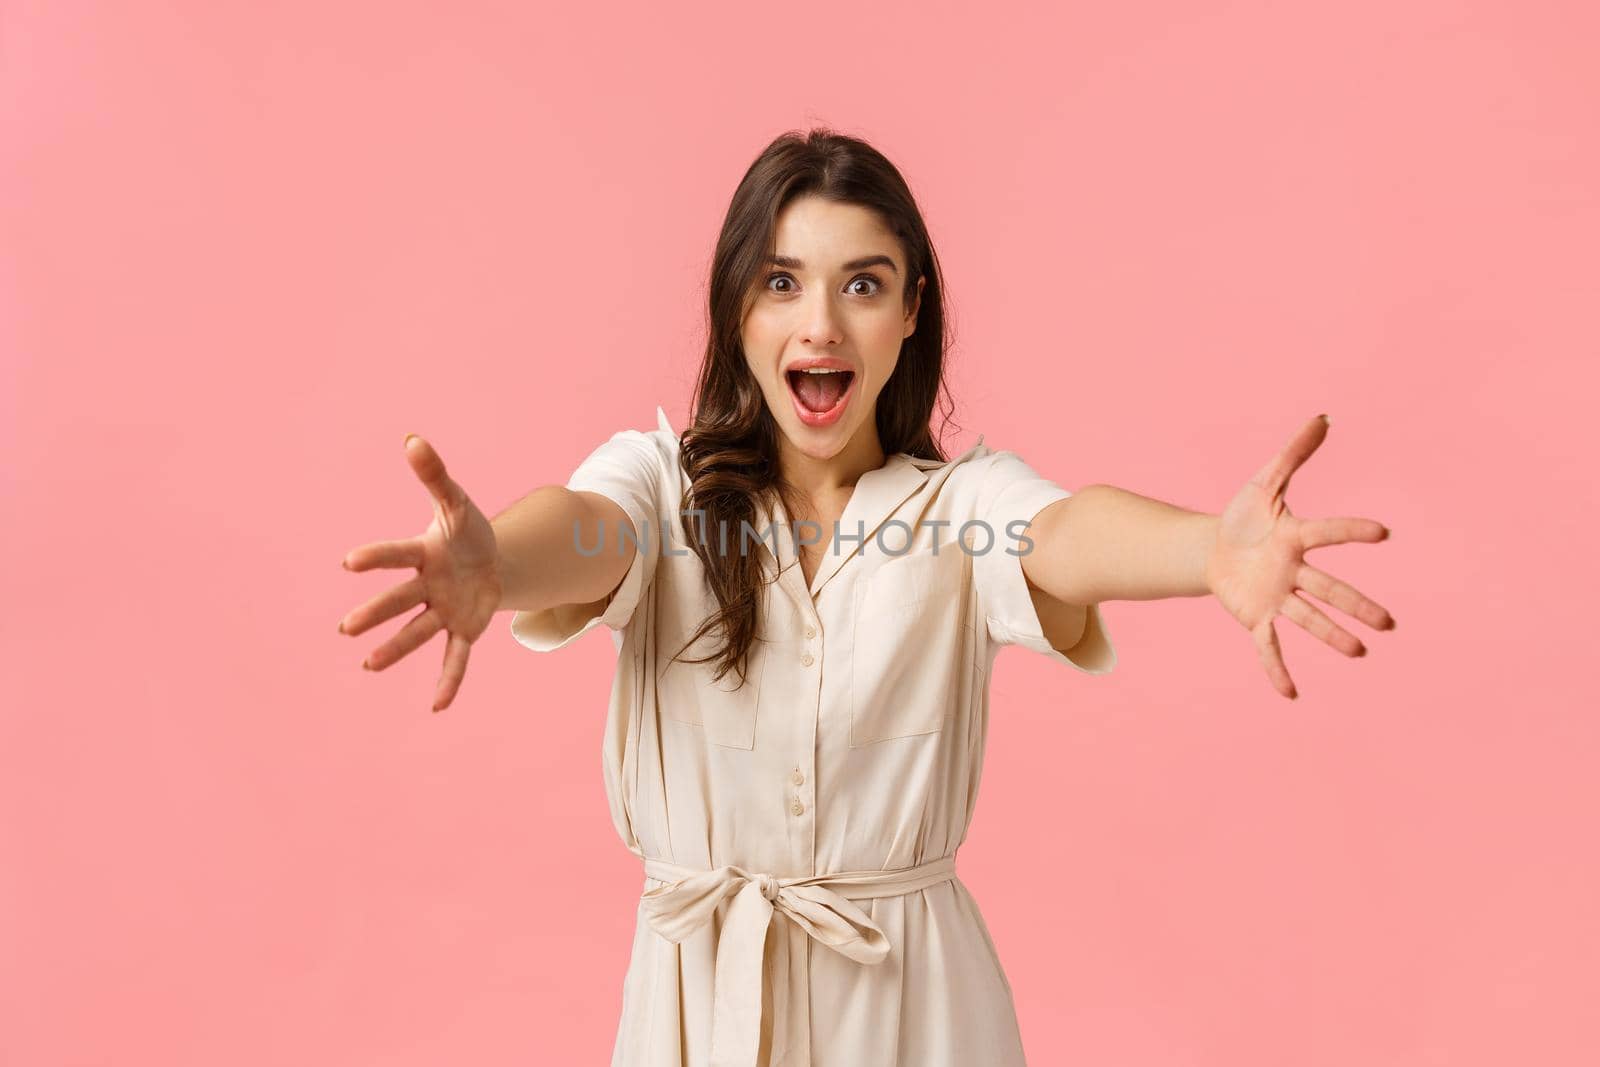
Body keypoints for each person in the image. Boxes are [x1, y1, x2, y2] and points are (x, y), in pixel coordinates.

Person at [338, 128, 1395, 1067]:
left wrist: (1207, 547)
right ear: (736, 306)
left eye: (863, 283)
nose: (822, 325)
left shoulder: (958, 507)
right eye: (782, 281)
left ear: (908, 311)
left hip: (914, 1008)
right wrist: (498, 565)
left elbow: (1063, 532)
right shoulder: (661, 487)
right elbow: (584, 528)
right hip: (696, 1005)